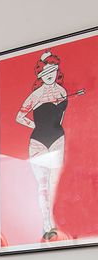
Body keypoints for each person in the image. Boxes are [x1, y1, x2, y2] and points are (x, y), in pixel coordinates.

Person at [15, 50, 86, 242]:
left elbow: (60, 120)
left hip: (57, 139)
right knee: (43, 186)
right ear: (40, 76)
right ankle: (46, 224)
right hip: (38, 141)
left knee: (55, 183)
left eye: (53, 72)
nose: (50, 76)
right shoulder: (35, 95)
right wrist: (35, 125)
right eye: (46, 73)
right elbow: (19, 117)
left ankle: (55, 224)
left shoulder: (62, 93)